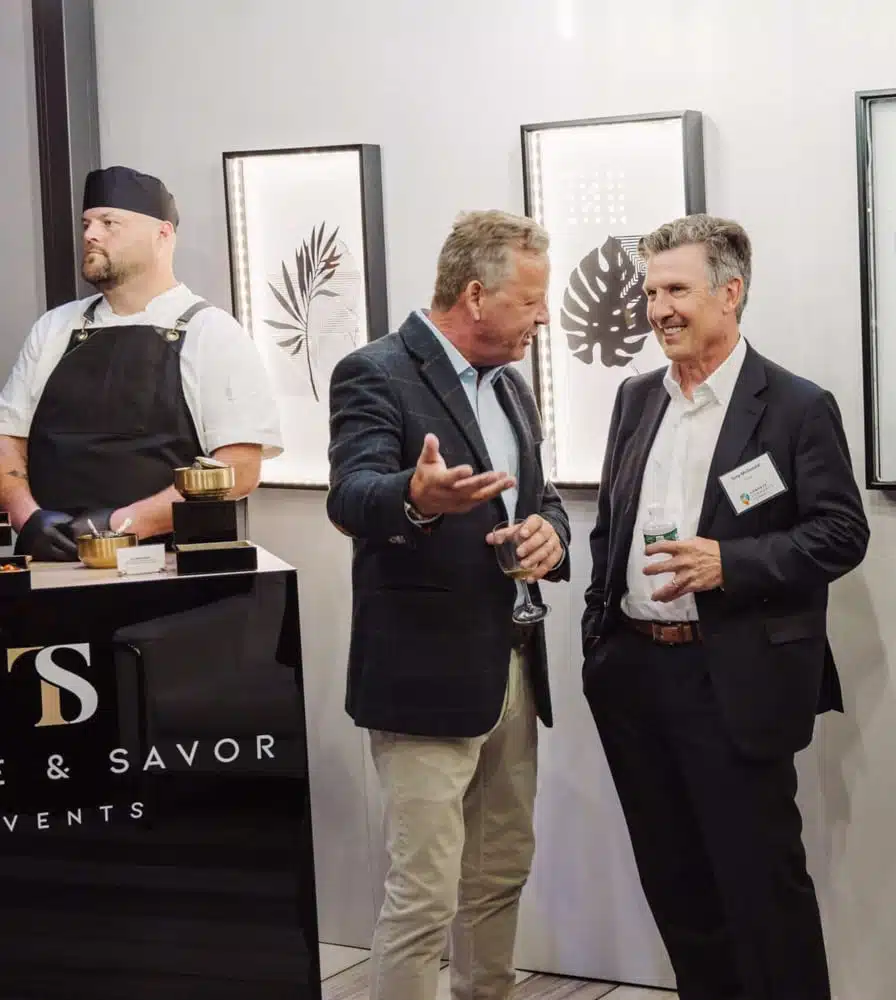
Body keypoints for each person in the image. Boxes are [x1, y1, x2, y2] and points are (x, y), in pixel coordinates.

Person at [582, 214, 869, 1000]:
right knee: (677, 888)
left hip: (732, 682)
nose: (658, 310)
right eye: (651, 293)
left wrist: (729, 563)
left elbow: (842, 533)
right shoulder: (635, 399)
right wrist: (599, 641)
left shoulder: (796, 407)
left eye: (675, 290)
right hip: (635, 676)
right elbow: (611, 524)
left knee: (762, 891)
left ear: (730, 293)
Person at [326, 209, 569, 1000]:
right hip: (423, 678)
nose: (542, 317)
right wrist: (417, 496)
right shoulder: (374, 371)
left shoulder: (513, 388)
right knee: (425, 894)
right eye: (530, 301)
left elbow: (542, 497)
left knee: (499, 874)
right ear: (474, 295)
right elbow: (351, 496)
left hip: (513, 669)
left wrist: (551, 535)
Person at [0, 165, 282, 559]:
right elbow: (7, 438)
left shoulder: (211, 332)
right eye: (86, 224)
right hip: (52, 562)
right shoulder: (53, 328)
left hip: (167, 567)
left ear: (162, 234)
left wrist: (120, 525)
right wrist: (28, 518)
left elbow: (239, 469)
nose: (91, 235)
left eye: (109, 223)